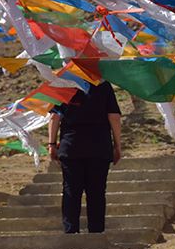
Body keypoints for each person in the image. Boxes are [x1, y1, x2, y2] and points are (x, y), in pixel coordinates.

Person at [47, 81, 122, 234]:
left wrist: (52, 143)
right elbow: (114, 116)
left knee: (71, 190)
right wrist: (117, 145)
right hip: (99, 145)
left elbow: (55, 116)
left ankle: (71, 231)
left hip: (71, 145)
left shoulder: (63, 83)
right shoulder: (103, 85)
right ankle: (96, 233)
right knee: (97, 192)